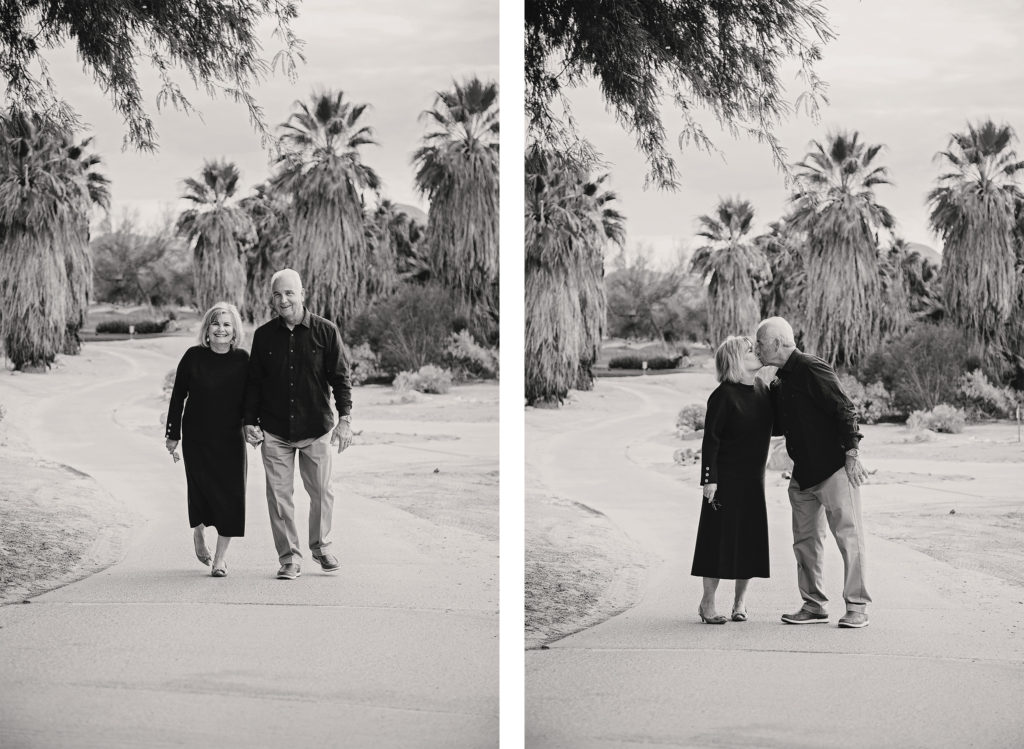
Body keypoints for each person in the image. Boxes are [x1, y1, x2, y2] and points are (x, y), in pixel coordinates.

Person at [755, 316, 871, 628]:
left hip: (834, 470)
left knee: (849, 539)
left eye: (760, 343)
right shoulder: (779, 380)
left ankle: (857, 607)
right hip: (802, 476)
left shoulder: (811, 368)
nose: (756, 349)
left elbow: (844, 408)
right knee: (805, 543)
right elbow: (776, 426)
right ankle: (814, 605)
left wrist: (852, 454)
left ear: (778, 343)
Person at [243, 268, 353, 580]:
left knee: (321, 492)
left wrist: (345, 421)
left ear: (302, 294)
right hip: (275, 431)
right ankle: (289, 558)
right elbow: (254, 384)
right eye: (277, 295)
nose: (283, 299)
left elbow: (341, 379)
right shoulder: (264, 336)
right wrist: (249, 422)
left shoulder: (326, 331)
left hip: (315, 428)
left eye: (289, 293)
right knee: (279, 497)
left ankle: (320, 546)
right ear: (272, 299)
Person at [692, 335, 774, 624]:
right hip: (724, 481)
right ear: (736, 360)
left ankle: (740, 603)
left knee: (748, 540)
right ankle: (708, 604)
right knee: (717, 541)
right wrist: (709, 480)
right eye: (750, 350)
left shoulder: (764, 389)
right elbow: (710, 441)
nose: (756, 353)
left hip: (753, 480)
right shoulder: (723, 395)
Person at [165, 302, 249, 577]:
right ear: (207, 329)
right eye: (216, 323)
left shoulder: (242, 360)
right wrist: (172, 435)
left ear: (234, 329)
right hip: (198, 439)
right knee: (200, 492)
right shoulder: (192, 357)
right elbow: (178, 397)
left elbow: (252, 400)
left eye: (226, 324)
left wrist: (254, 426)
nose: (221, 329)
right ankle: (199, 533)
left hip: (231, 439)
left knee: (232, 497)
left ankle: (220, 559)